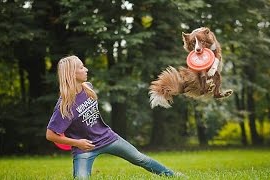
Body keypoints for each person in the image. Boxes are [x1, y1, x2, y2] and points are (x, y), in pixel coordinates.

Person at [46, 55, 176, 179]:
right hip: (85, 148)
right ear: (71, 74)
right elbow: (50, 135)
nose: (86, 69)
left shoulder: (88, 88)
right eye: (81, 67)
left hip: (107, 137)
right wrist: (77, 143)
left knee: (140, 158)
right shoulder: (64, 106)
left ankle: (174, 176)